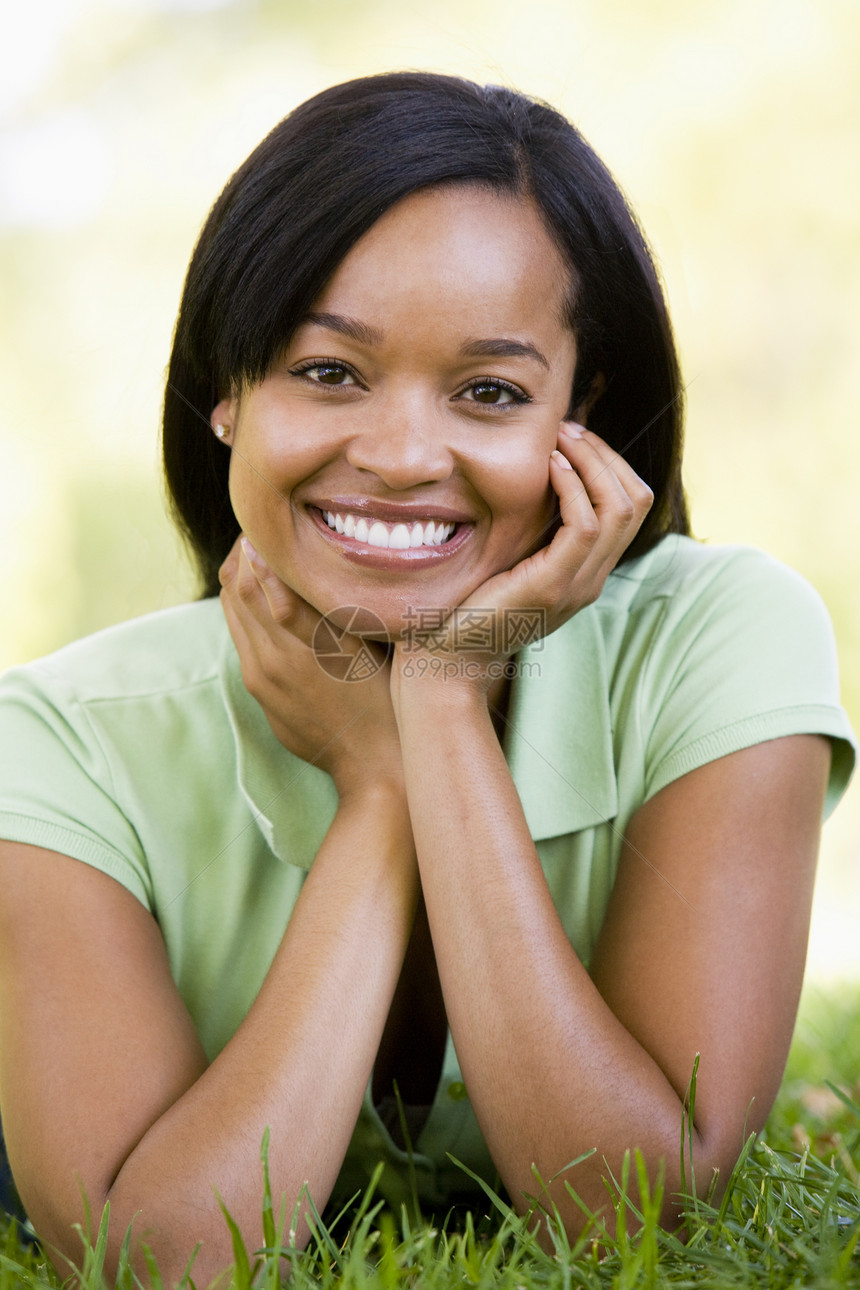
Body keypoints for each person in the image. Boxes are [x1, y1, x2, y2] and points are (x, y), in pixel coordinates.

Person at [0, 71, 854, 1286]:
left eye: (489, 392)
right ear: (226, 393)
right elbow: (161, 1263)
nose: (401, 457)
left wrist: (441, 701)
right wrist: (378, 793)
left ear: (582, 410)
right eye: (328, 372)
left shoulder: (724, 637)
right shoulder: (59, 738)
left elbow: (625, 1224)